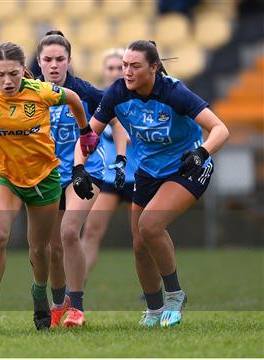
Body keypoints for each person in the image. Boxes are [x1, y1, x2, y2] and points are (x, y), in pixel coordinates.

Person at [0, 42, 99, 330]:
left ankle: (40, 296)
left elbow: (75, 98)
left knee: (40, 249)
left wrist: (85, 130)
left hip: (42, 177)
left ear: (24, 71)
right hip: (3, 175)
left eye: (13, 73)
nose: (7, 81)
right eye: (0, 74)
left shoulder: (41, 92)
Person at [88, 40, 229, 327]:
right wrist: (78, 165)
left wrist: (201, 153)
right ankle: (153, 309)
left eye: (135, 66)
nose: (127, 71)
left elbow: (220, 129)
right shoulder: (117, 92)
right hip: (148, 171)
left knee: (150, 226)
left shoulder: (174, 92)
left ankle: (175, 295)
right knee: (139, 244)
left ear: (154, 68)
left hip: (186, 168)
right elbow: (90, 135)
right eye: (125, 65)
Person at [36, 31, 128, 327]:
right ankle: (58, 302)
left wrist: (121, 160)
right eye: (48, 59)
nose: (54, 65)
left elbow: (118, 124)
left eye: (60, 59)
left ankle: (76, 307)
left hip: (87, 171)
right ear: (39, 62)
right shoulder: (31, 94)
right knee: (52, 248)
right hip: (48, 175)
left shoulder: (84, 91)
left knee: (68, 231)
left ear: (69, 61)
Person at [82, 48, 139, 279]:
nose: (116, 72)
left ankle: (153, 290)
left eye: (121, 67)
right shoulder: (100, 103)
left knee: (143, 235)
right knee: (92, 231)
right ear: (104, 72)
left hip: (140, 175)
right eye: (111, 68)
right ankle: (76, 289)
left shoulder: (142, 98)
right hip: (109, 176)